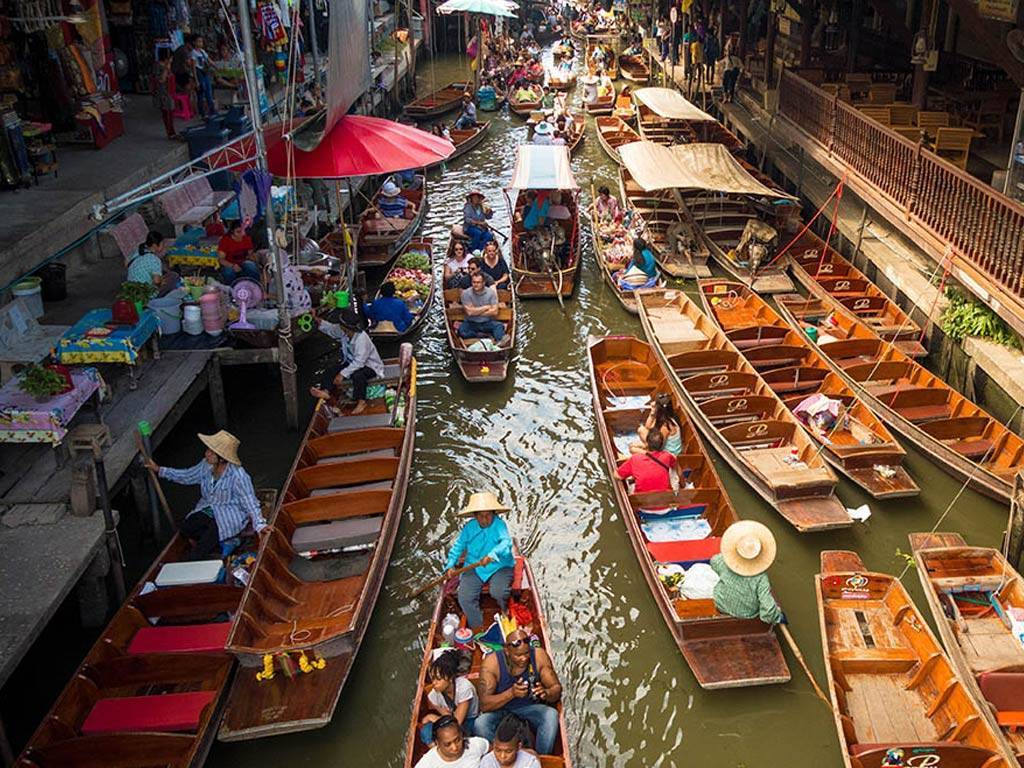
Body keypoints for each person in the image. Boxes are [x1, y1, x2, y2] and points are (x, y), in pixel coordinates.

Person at [145, 430, 267, 560]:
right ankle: (222, 541)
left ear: (221, 458)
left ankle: (197, 555)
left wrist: (260, 525)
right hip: (209, 508)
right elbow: (188, 476)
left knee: (204, 544)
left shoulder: (238, 476)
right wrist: (160, 470)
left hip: (230, 513)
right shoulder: (206, 465)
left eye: (211, 452)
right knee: (186, 528)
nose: (206, 454)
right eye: (208, 450)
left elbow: (249, 501)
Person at [475, 629, 562, 755]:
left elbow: (556, 688)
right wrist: (511, 694)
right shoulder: (491, 663)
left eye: (526, 653)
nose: (524, 658)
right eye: (518, 655)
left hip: (529, 707)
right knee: (480, 724)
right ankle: (501, 756)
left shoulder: (538, 656)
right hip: (501, 711)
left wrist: (546, 693)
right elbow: (484, 704)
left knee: (551, 715)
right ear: (507, 651)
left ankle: (540, 758)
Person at [444, 491, 515, 627]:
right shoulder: (469, 527)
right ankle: (478, 627)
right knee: (464, 598)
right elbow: (458, 547)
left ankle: (504, 609)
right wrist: (450, 565)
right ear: (475, 516)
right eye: (481, 516)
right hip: (474, 566)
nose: (485, 519)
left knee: (498, 592)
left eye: (488, 515)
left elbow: (506, 543)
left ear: (494, 514)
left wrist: (492, 555)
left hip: (500, 565)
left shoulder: (500, 525)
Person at [310, 307, 385, 414]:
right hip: (351, 363)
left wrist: (342, 374)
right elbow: (330, 328)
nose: (339, 326)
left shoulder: (361, 339)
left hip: (369, 366)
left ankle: (361, 401)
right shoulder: (343, 332)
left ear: (346, 327)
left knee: (358, 376)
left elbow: (359, 362)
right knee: (331, 370)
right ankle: (325, 391)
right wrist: (316, 319)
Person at [710, 520, 784, 625]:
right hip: (747, 614)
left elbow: (713, 560)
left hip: (721, 605)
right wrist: (778, 617)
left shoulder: (724, 562)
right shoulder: (761, 578)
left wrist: (727, 557)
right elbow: (767, 610)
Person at [420, 649, 481, 745]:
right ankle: (437, 750)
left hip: (470, 721)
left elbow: (456, 724)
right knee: (426, 731)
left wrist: (432, 717)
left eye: (438, 679)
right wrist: (441, 720)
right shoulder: (434, 695)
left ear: (450, 678)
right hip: (451, 720)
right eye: (433, 678)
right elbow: (447, 716)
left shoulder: (464, 688)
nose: (434, 683)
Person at [414, 716, 489, 768]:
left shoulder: (476, 744)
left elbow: (492, 753)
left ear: (461, 734)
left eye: (458, 740)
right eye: (447, 744)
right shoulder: (428, 763)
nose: (454, 747)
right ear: (437, 743)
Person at [127, 231, 180, 296]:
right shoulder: (154, 259)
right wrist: (161, 282)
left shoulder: (138, 252)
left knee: (164, 274)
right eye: (162, 244)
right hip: (145, 294)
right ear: (155, 245)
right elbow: (156, 281)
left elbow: (126, 263)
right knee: (174, 276)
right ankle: (160, 298)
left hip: (131, 289)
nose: (163, 246)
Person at [459, 273, 505, 343]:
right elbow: (469, 312)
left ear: (483, 283)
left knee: (499, 326)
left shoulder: (491, 293)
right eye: (474, 282)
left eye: (478, 282)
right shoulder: (466, 293)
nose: (475, 284)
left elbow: (495, 312)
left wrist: (475, 311)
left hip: (487, 322)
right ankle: (479, 335)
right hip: (471, 322)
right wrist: (486, 307)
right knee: (462, 331)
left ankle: (499, 343)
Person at [152, 51, 179, 140]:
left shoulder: (168, 66)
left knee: (170, 112)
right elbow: (161, 80)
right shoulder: (158, 66)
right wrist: (166, 69)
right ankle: (170, 133)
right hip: (163, 93)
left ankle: (172, 131)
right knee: (167, 113)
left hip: (169, 91)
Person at [191, 34, 214, 116]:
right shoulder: (193, 53)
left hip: (205, 73)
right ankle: (202, 113)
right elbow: (193, 67)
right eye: (198, 41)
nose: (200, 43)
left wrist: (218, 66)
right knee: (201, 93)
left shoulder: (203, 52)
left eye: (201, 41)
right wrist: (196, 80)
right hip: (199, 73)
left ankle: (212, 110)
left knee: (209, 92)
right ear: (194, 42)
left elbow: (209, 61)